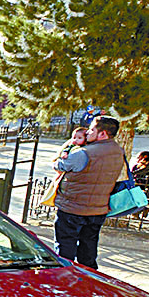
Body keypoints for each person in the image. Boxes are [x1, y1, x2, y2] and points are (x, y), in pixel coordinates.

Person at [53, 115, 124, 269]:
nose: (87, 133)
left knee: (65, 245)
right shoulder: (119, 151)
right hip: (98, 209)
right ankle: (90, 275)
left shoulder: (84, 153)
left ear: (102, 133)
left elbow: (59, 165)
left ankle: (65, 274)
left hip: (72, 207)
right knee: (89, 245)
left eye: (92, 130)